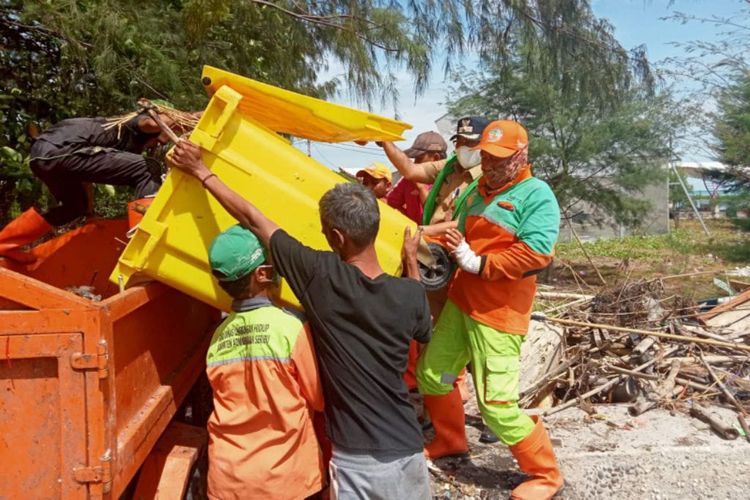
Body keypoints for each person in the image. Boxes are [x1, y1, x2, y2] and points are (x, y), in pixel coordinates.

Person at [170, 139, 433, 500]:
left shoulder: (320, 277)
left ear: (336, 237)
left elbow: (253, 218)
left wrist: (201, 171)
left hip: (358, 460)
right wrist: (412, 265)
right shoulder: (410, 296)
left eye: (325, 232)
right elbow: (422, 323)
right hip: (408, 449)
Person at [416, 120, 564, 499]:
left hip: (499, 313)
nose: (490, 164)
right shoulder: (478, 191)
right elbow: (457, 231)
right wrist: (424, 237)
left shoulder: (536, 195)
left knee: (496, 406)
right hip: (462, 303)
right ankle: (451, 441)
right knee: (433, 374)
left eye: (499, 158)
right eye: (486, 156)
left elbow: (537, 253)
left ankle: (545, 475)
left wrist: (479, 263)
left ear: (521, 156)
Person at [205, 225, 325, 499]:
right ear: (262, 274)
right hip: (284, 478)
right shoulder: (289, 328)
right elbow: (318, 399)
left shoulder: (218, 338)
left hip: (228, 479)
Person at [0, 105, 186, 262]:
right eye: (158, 141)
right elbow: (152, 122)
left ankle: (4, 245)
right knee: (148, 168)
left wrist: (90, 215)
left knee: (75, 207)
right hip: (58, 152)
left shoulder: (101, 131)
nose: (155, 146)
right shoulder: (133, 125)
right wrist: (193, 117)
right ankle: (143, 245)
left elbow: (85, 173)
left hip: (42, 157)